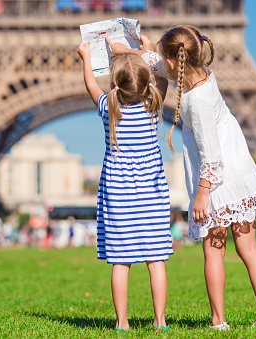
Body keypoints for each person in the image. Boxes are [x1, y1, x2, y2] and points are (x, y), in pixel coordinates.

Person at [106, 26, 256, 331]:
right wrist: (128, 51)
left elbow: (211, 157)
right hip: (242, 172)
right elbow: (158, 63)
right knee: (249, 248)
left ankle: (218, 320)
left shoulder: (196, 102)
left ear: (172, 61)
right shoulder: (202, 75)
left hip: (218, 182)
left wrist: (202, 195)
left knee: (214, 251)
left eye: (162, 57)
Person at [77, 42, 173, 333]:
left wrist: (86, 57)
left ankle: (122, 322)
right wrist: (148, 49)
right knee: (156, 260)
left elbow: (91, 85)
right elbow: (164, 76)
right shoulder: (153, 105)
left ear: (116, 86)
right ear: (147, 85)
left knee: (121, 262)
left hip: (118, 196)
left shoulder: (110, 108)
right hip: (152, 195)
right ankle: (160, 321)